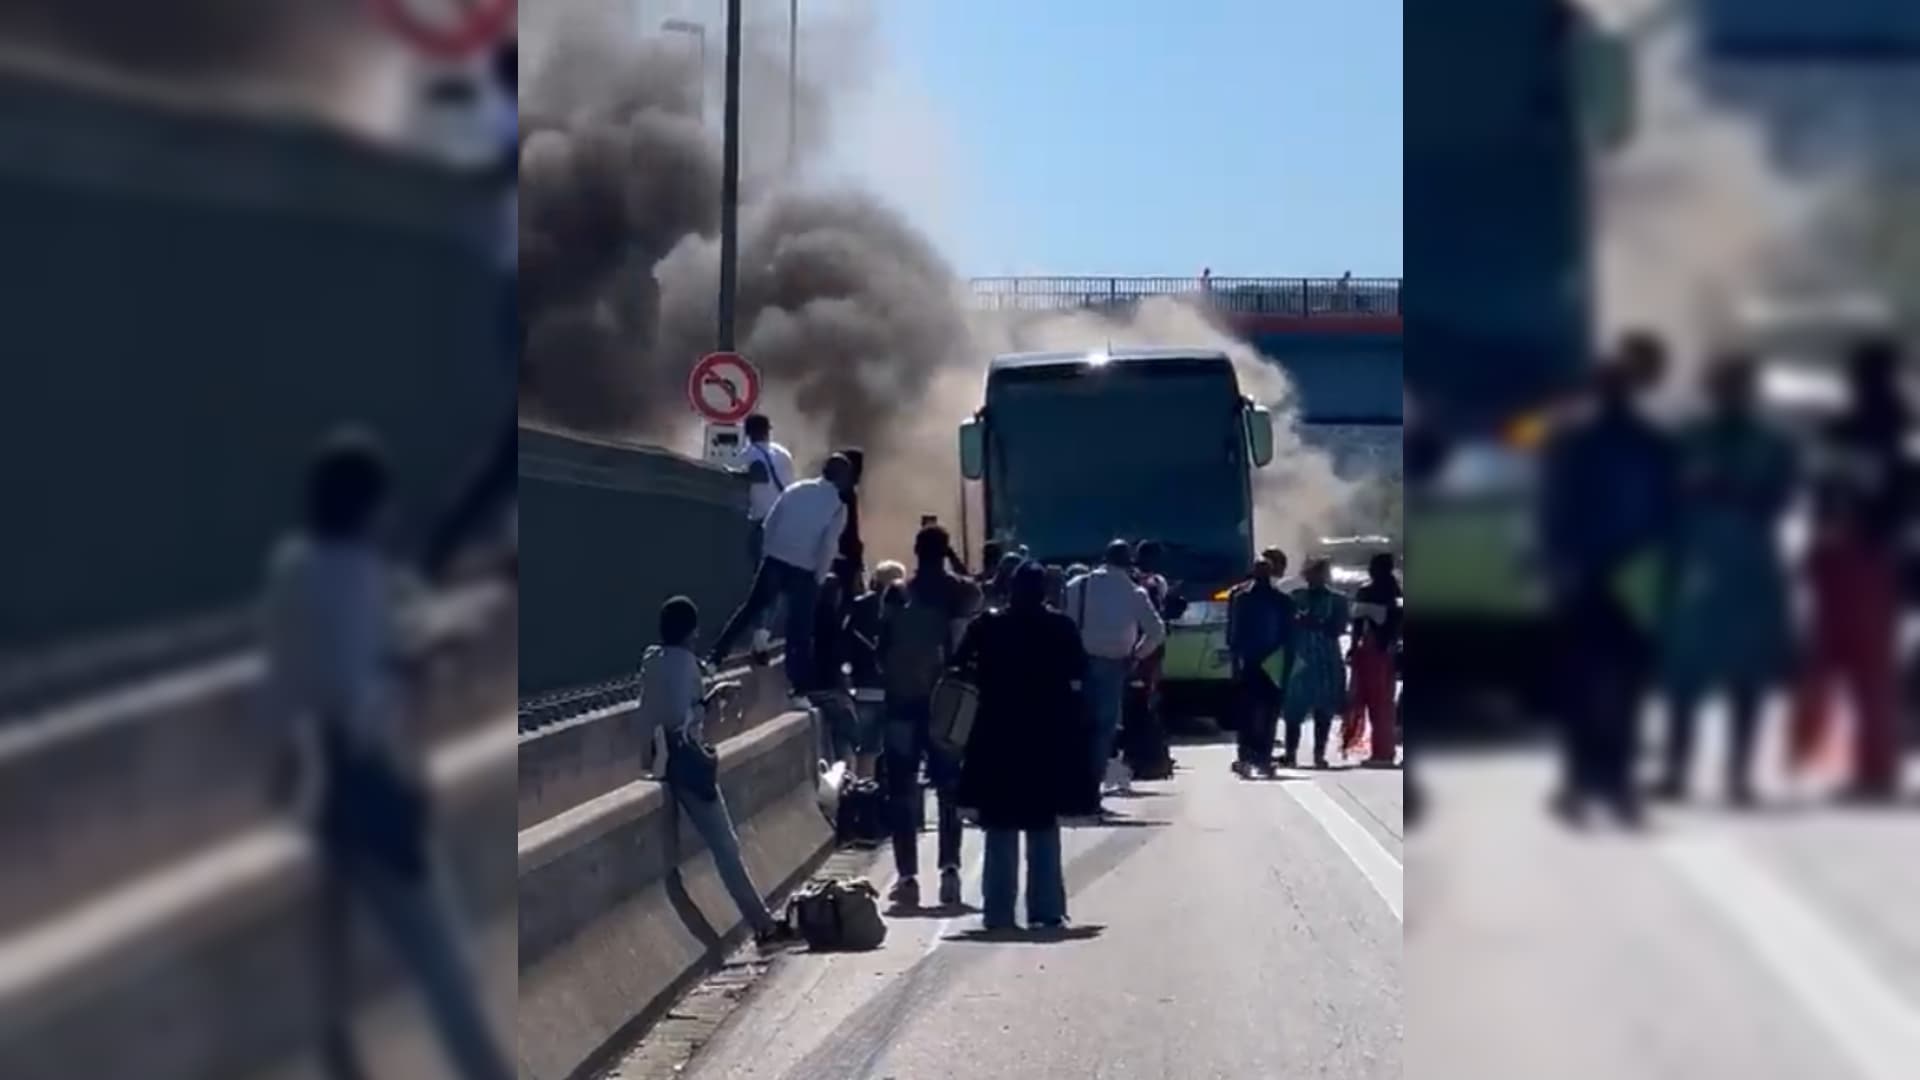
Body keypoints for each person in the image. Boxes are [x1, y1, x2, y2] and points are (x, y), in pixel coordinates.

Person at [262, 432, 514, 1080]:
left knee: (330, 979)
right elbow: (367, 685)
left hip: (309, 788)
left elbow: (288, 681)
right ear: (369, 506)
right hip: (369, 782)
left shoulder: (293, 568)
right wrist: (417, 659)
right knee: (444, 964)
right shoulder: (365, 577)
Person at [1541, 339, 1677, 827]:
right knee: (1617, 687)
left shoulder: (1585, 444)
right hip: (1620, 578)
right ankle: (1601, 782)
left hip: (1601, 577)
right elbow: (1670, 515)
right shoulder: (1645, 444)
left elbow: (1555, 513)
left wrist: (1556, 566)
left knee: (1599, 686)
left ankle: (1596, 782)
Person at [1656, 356, 1794, 806]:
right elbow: (1665, 496)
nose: (1730, 394)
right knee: (1683, 676)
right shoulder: (1684, 438)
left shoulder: (1774, 442)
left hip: (1749, 567)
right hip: (1696, 562)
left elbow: (1779, 500)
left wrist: (1726, 488)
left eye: (1739, 385)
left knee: (1747, 677)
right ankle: (1676, 770)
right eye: (1723, 385)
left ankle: (1739, 774)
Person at [642, 596, 801, 949]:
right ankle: (764, 927)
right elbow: (682, 720)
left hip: (659, 763)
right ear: (691, 631)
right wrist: (709, 705)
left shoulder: (652, 662)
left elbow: (661, 711)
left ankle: (763, 924)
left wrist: (708, 698)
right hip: (686, 765)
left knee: (721, 846)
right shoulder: (686, 665)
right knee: (725, 847)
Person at [1791, 337, 1910, 803]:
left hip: (1849, 555)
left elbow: (1822, 493)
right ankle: (1874, 767)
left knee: (1834, 662)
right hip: (1875, 558)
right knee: (1872, 671)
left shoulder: (1846, 431)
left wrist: (1824, 536)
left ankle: (1854, 764)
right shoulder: (1898, 430)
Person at [953, 562, 1088, 931]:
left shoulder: (986, 626)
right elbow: (1079, 676)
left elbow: (957, 667)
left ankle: (997, 913)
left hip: (995, 734)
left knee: (999, 824)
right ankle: (1046, 910)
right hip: (1045, 736)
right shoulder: (1060, 626)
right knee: (1043, 824)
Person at [878, 525, 977, 908]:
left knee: (902, 791)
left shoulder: (898, 593)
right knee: (949, 789)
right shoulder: (959, 593)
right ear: (945, 552)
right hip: (947, 706)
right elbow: (966, 641)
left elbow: (880, 649)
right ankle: (950, 871)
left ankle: (907, 879)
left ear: (916, 552)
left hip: (903, 702)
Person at [707, 454, 852, 694]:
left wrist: (769, 553)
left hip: (775, 560)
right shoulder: (838, 507)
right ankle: (800, 690)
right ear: (843, 478)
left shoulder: (795, 489)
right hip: (804, 570)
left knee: (750, 609)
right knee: (800, 633)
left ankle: (715, 659)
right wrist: (819, 576)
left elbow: (770, 523)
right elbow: (828, 545)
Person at [1063, 541, 1167, 804]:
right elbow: (1157, 631)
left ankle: (1073, 785)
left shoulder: (1077, 586)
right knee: (1103, 729)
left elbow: (1064, 625)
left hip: (1078, 664)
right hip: (1115, 666)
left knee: (1076, 726)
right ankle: (1091, 789)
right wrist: (1137, 655)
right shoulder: (1135, 593)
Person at [727, 414, 796, 661]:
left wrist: (734, 475)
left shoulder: (749, 454)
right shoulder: (783, 454)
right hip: (785, 523)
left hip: (762, 524)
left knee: (761, 583)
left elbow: (759, 475)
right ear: (769, 430)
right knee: (774, 584)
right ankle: (763, 637)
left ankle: (757, 638)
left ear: (747, 431)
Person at [1227, 555, 1292, 778]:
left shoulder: (1245, 598)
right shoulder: (1277, 600)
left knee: (1256, 712)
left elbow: (1234, 634)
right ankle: (1255, 757)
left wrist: (1235, 661)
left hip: (1258, 661)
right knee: (1262, 713)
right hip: (1266, 661)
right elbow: (1288, 636)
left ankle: (1253, 757)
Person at [1283, 558, 1349, 769]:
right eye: (1312, 573)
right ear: (1305, 574)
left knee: (1325, 708)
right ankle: (1290, 753)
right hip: (1300, 659)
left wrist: (1315, 623)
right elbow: (1285, 625)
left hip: (1326, 659)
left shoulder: (1338, 600)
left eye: (1320, 573)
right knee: (1293, 708)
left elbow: (1338, 628)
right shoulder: (1294, 598)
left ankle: (1319, 754)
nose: (1316, 577)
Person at [807, 556, 867, 767]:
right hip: (830, 689)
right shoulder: (832, 624)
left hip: (814, 689)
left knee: (842, 736)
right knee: (849, 734)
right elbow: (840, 659)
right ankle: (848, 779)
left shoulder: (808, 621)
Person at [1344, 552, 1402, 768]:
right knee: (1384, 703)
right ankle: (1384, 750)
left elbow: (1358, 624)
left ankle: (1378, 751)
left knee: (1366, 700)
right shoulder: (1396, 592)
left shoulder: (1366, 591)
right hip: (1388, 652)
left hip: (1370, 651)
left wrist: (1352, 647)